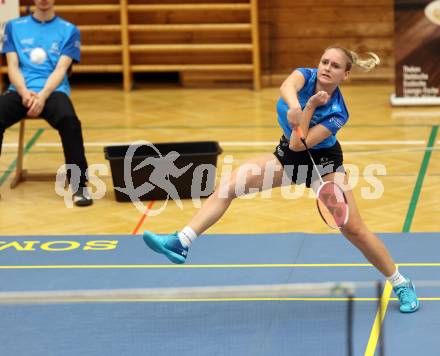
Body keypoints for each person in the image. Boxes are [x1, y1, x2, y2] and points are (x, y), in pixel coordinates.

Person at [142, 46, 419, 313]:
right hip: (286, 158)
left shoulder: (338, 112)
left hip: (322, 164)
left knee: (353, 229)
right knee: (228, 187)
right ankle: (182, 242)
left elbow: (301, 144)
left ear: (345, 75)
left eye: (335, 66)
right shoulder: (306, 75)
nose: (326, 68)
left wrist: (309, 107)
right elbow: (286, 87)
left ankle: (401, 283)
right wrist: (296, 104)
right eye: (324, 62)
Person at [0, 0, 92, 206]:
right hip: (20, 90)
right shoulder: (14, 27)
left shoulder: (70, 30)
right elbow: (12, 66)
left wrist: (42, 96)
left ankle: (79, 185)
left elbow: (61, 70)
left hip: (53, 91)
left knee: (70, 122)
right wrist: (24, 92)